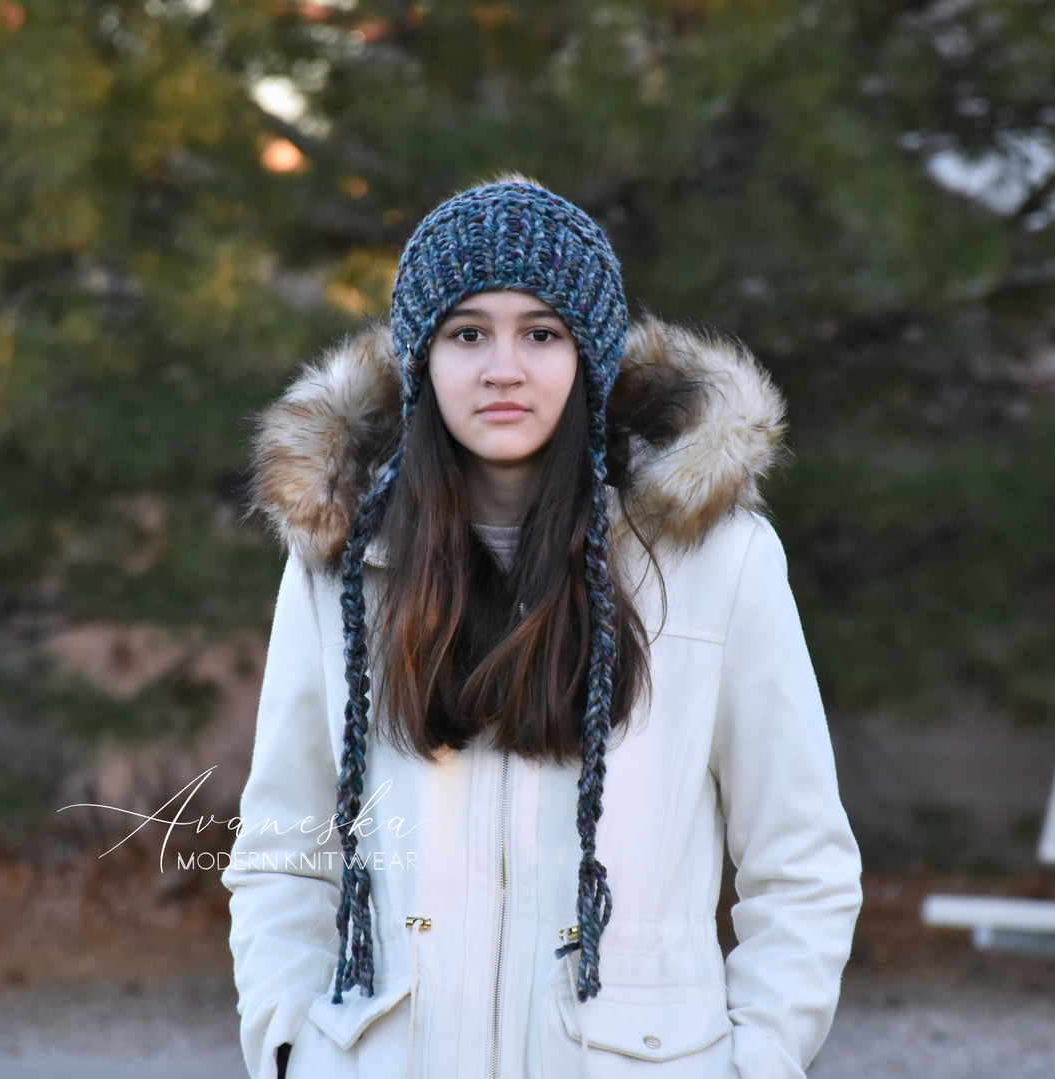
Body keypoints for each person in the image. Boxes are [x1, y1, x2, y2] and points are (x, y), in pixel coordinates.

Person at [223, 176, 862, 1079]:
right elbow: (285, 849)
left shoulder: (719, 561)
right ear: (421, 359)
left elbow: (802, 866)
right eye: (467, 332)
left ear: (589, 354)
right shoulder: (342, 562)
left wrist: (755, 1062)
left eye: (542, 332)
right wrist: (290, 1046)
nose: (503, 368)